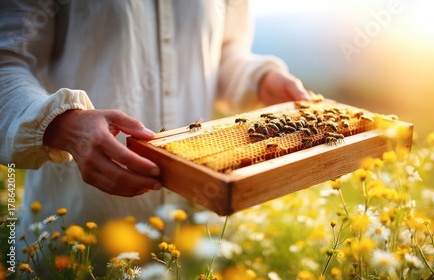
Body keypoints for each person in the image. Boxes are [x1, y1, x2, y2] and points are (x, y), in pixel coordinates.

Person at [0, 0, 308, 250]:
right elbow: (6, 60)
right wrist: (62, 125)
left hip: (197, 240)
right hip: (79, 235)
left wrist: (259, 78)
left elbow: (221, 52)